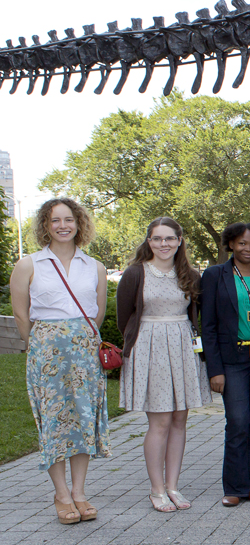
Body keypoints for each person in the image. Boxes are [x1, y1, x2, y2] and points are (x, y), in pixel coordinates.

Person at [10, 199, 111, 524]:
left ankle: (79, 492)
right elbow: (21, 315)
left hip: (83, 353)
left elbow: (98, 312)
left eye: (69, 219)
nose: (63, 225)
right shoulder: (29, 265)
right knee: (54, 422)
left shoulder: (93, 266)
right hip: (46, 353)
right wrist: (39, 345)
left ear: (79, 223)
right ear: (45, 225)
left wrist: (80, 337)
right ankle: (61, 494)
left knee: (82, 419)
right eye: (56, 220)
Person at [117, 218, 210, 512]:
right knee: (159, 422)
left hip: (182, 346)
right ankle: (156, 489)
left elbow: (196, 313)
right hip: (150, 346)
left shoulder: (189, 274)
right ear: (148, 241)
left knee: (180, 420)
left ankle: (173, 485)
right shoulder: (136, 273)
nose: (163, 244)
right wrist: (140, 344)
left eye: (169, 238)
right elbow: (124, 317)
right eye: (157, 239)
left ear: (180, 240)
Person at [200, 222, 250, 507]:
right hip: (231, 360)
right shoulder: (214, 275)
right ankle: (233, 487)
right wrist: (215, 369)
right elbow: (207, 326)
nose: (248, 248)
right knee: (237, 421)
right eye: (242, 243)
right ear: (231, 244)